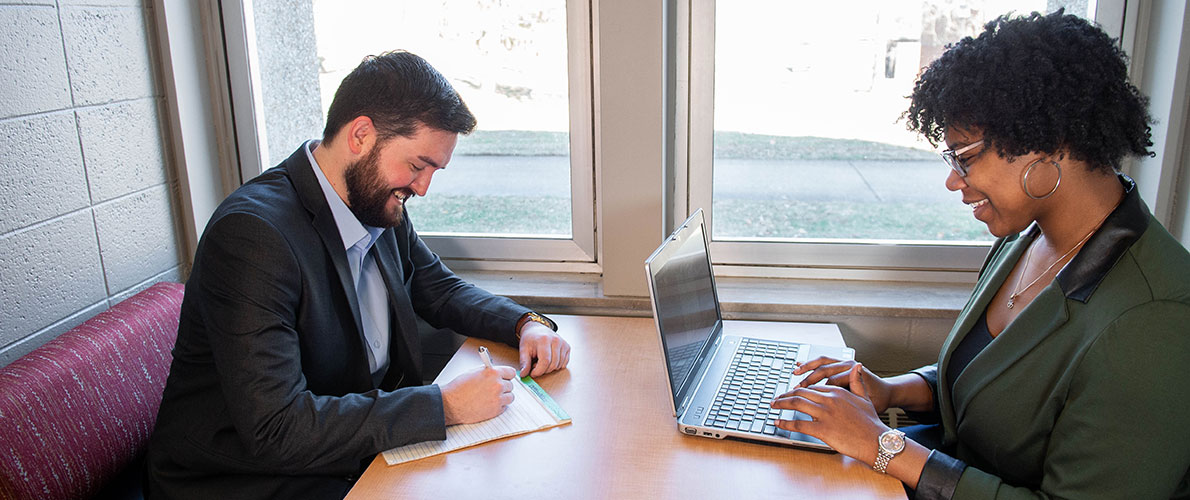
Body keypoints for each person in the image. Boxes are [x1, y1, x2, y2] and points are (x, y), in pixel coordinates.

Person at [770, 11, 1190, 499]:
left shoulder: (1158, 320)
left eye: (965, 157)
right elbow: (991, 378)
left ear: (1048, 141)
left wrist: (883, 444)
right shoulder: (1025, 239)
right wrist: (888, 390)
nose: (953, 180)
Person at [145, 50, 571, 499]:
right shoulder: (253, 237)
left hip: (344, 450)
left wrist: (526, 323)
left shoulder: (376, 202)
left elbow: (439, 290)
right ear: (361, 135)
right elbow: (277, 428)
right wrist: (443, 405)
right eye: (417, 165)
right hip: (244, 480)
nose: (423, 188)